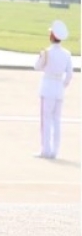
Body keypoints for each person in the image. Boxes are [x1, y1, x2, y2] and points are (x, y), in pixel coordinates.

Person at [34, 20, 73, 159]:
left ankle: (46, 149)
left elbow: (37, 67)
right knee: (56, 121)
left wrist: (40, 57)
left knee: (46, 120)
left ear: (52, 36)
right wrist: (63, 85)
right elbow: (69, 74)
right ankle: (55, 151)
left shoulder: (47, 52)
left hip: (47, 87)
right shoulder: (67, 54)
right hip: (59, 89)